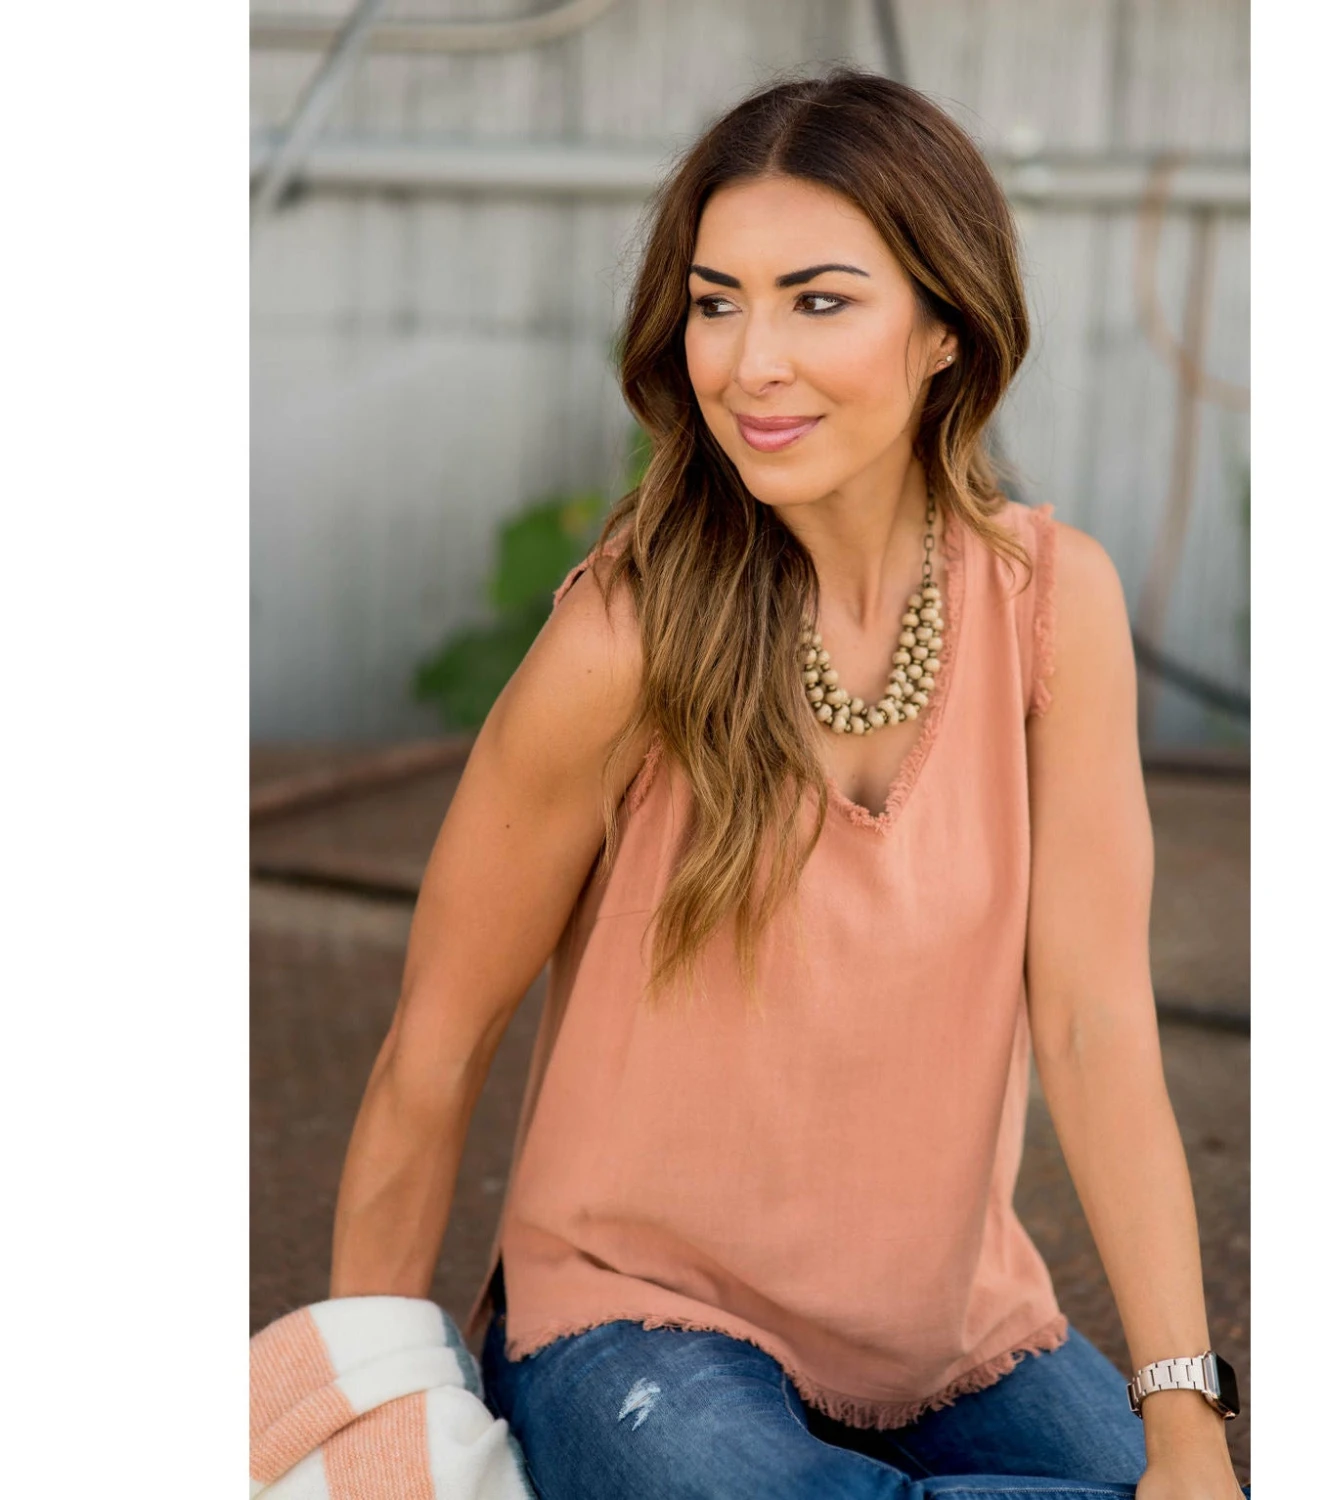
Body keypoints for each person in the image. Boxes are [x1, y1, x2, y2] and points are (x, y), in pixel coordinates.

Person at [326, 67, 1250, 1499]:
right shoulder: (625, 634)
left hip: (949, 1333)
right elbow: (434, 1045)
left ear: (946, 328)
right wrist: (365, 1428)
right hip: (633, 1321)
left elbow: (1095, 1021)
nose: (751, 362)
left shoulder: (1052, 604)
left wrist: (1185, 1417)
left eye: (819, 302)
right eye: (718, 303)